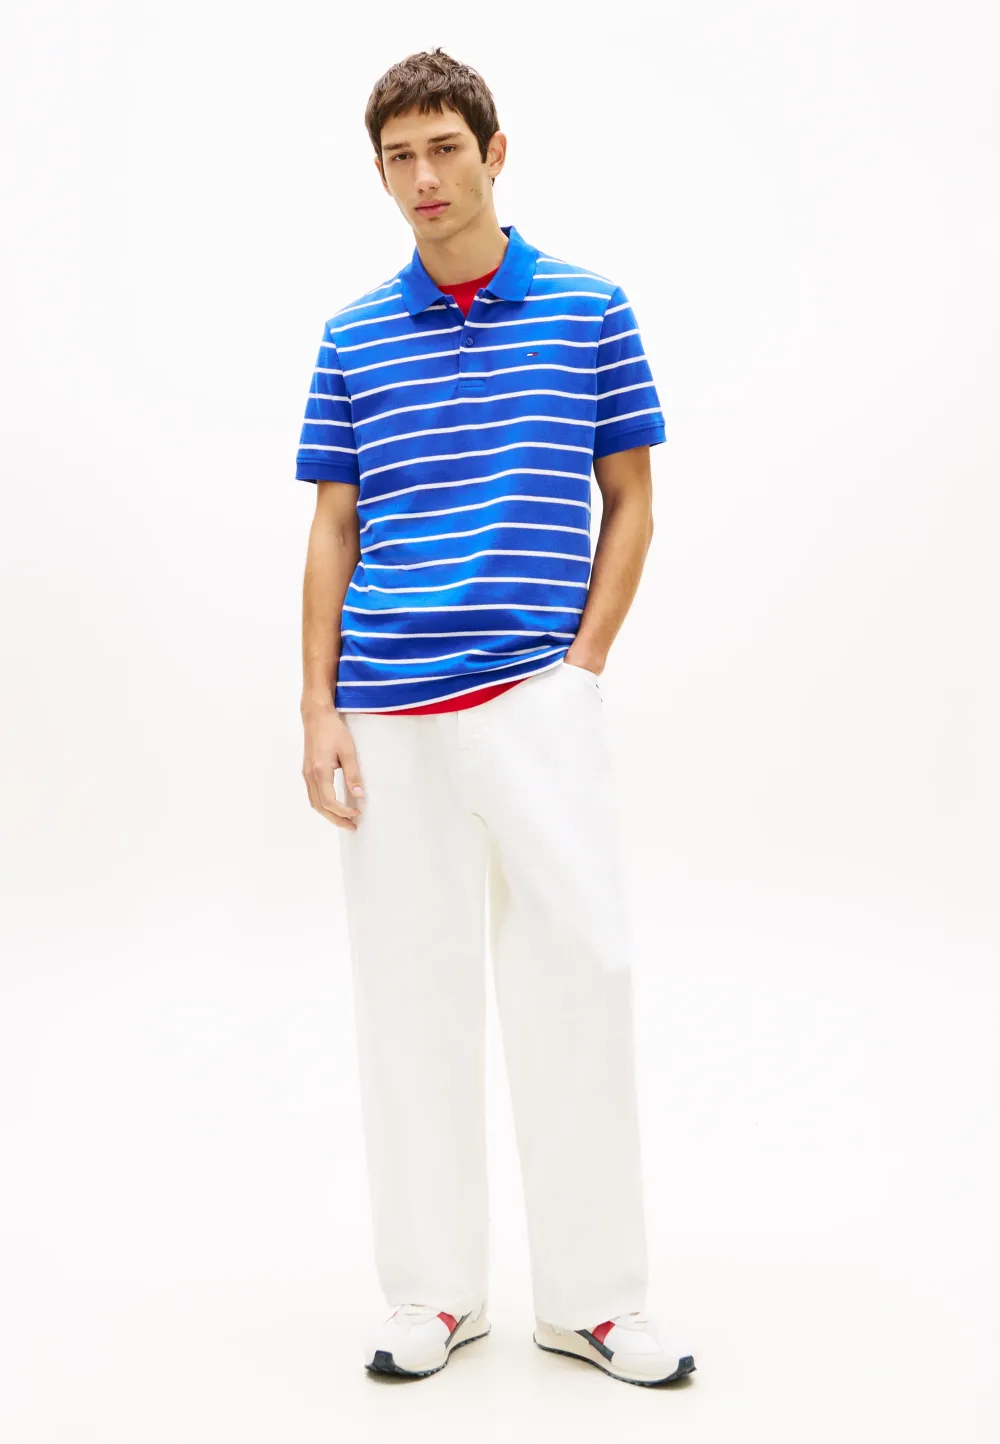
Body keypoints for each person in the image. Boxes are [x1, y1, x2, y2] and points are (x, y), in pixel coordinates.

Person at [295, 47, 695, 1389]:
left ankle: (594, 1302)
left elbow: (631, 498)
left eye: (444, 149)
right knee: (407, 999)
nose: (424, 177)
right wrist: (317, 707)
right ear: (380, 174)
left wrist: (583, 667)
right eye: (399, 157)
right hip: (386, 706)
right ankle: (435, 1294)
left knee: (579, 979)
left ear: (495, 151)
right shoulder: (352, 335)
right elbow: (334, 525)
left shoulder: (589, 308)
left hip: (536, 694)